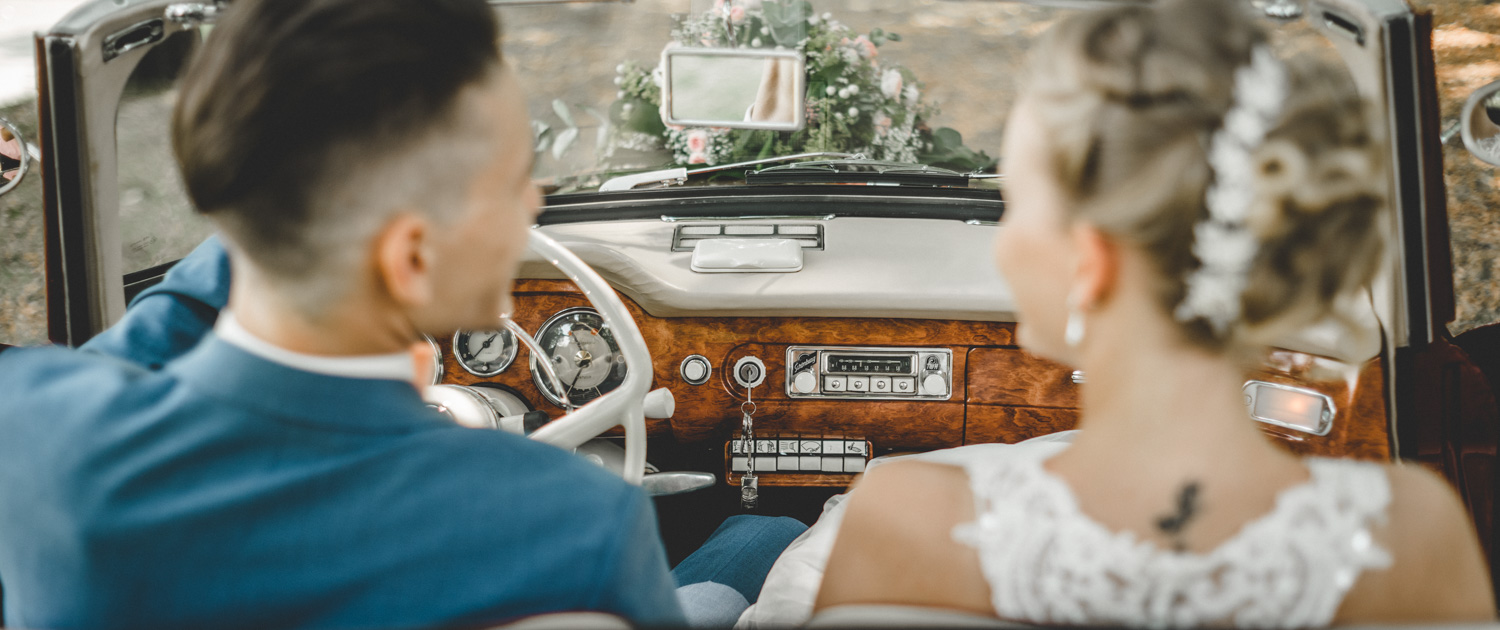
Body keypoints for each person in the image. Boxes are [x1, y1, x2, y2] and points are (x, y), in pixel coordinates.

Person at [0, 0, 803, 628]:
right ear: (411, 256)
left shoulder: (36, 435)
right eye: (512, 181)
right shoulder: (573, 522)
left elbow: (104, 372)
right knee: (762, 540)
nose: (534, 203)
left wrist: (275, 198)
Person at [812, 0, 1496, 627]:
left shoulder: (905, 515)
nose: (1004, 241)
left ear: (1093, 261)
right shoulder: (1412, 532)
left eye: (1016, 204)